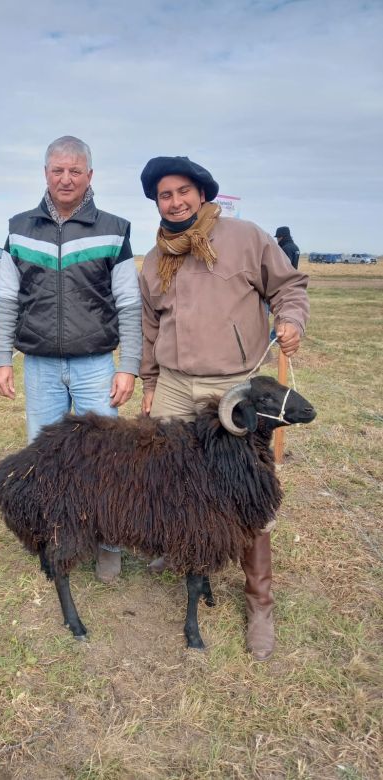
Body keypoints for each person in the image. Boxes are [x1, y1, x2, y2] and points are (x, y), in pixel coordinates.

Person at [139, 155, 309, 661]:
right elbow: (151, 328)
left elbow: (288, 286)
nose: (175, 201)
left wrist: (291, 319)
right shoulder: (154, 259)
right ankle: (185, 551)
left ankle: (260, 600)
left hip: (233, 385)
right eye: (165, 195)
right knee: (172, 478)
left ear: (202, 193)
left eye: (183, 191)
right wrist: (149, 383)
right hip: (173, 383)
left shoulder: (245, 237)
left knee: (247, 490)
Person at [0, 135, 142, 584]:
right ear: (45, 173)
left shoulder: (114, 229)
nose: (66, 178)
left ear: (90, 176)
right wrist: (3, 358)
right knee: (46, 456)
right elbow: (5, 300)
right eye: (57, 170)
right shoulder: (20, 229)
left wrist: (128, 364)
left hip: (96, 363)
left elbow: (129, 304)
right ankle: (57, 533)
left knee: (107, 455)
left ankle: (110, 541)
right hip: (39, 366)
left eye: (75, 170)